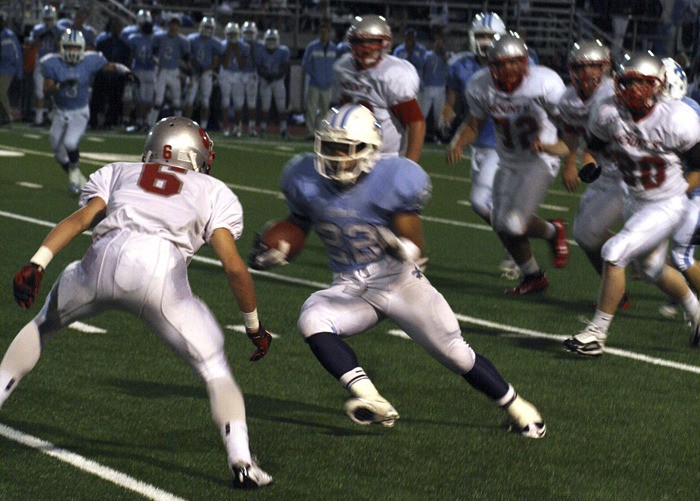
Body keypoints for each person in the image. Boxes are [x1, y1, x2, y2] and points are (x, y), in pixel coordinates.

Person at [5, 116, 273, 488]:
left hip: (100, 259)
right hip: (161, 276)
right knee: (214, 367)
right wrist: (254, 327)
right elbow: (234, 269)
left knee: (44, 325)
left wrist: (38, 262)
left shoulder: (119, 171)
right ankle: (242, 461)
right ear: (196, 156)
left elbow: (81, 219)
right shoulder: (213, 191)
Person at [248, 103, 546, 438]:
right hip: (351, 285)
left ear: (369, 151)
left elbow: (416, 247)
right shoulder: (304, 178)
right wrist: (279, 248)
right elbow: (298, 224)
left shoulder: (392, 179)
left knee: (457, 354)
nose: (335, 157)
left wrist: (402, 248)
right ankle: (371, 400)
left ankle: (520, 408)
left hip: (399, 279)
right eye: (329, 148)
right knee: (312, 318)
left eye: (344, 150)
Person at [563, 52, 700, 356]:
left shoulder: (677, 118)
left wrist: (680, 193)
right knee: (652, 269)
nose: (635, 89)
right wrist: (588, 164)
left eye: (643, 83)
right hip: (633, 199)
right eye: (629, 82)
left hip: (667, 203)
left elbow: (698, 167)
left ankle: (596, 334)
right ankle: (697, 312)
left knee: (614, 252)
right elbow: (593, 148)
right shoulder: (608, 110)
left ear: (658, 85)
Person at [447, 34, 570, 296]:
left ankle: (550, 233)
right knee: (500, 223)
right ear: (491, 66)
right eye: (501, 64)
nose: (508, 70)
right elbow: (474, 124)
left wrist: (566, 156)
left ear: (525, 62)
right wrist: (459, 142)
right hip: (508, 159)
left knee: (513, 225)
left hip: (540, 159)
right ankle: (534, 274)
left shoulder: (544, 83)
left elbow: (569, 128)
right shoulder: (480, 86)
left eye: (514, 63)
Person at [439, 13, 521, 280]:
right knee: (493, 204)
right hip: (478, 144)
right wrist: (448, 111)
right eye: (481, 36)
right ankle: (515, 246)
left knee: (480, 200)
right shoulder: (460, 66)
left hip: (504, 145)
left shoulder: (513, 64)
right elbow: (452, 101)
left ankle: (518, 246)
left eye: (490, 37)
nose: (485, 42)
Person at [557, 40, 630, 307]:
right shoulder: (569, 100)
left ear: (606, 67)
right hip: (605, 173)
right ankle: (615, 289)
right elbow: (573, 134)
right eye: (581, 66)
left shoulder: (617, 92)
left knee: (651, 263)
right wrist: (569, 164)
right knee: (585, 235)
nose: (587, 73)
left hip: (629, 175)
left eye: (593, 66)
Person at [41, 29, 138, 195]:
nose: (72, 51)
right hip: (60, 111)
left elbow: (111, 66)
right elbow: (46, 90)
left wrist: (126, 72)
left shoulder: (90, 60)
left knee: (71, 143)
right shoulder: (52, 62)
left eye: (75, 47)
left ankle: (74, 178)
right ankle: (80, 179)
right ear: (62, 47)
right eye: (69, 47)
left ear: (82, 48)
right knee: (58, 154)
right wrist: (60, 86)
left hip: (79, 111)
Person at [334, 14, 426, 162]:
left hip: (386, 158)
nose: (365, 47)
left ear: (385, 43)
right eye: (359, 41)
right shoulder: (343, 68)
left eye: (372, 41)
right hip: (351, 153)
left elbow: (416, 124)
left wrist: (410, 166)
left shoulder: (393, 74)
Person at [658, 57, 700, 322]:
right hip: (686, 190)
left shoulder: (687, 112)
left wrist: (679, 192)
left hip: (695, 190)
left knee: (681, 253)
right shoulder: (662, 112)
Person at [148, 15, 189, 127]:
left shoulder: (182, 41)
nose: (173, 26)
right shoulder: (159, 37)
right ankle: (150, 124)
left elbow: (187, 58)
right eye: (172, 23)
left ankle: (179, 126)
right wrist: (157, 62)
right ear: (168, 24)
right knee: (158, 100)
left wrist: (189, 74)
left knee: (177, 102)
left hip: (174, 71)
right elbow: (153, 53)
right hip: (162, 70)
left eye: (175, 24)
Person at [92, 17, 131, 129]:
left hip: (117, 76)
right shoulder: (102, 41)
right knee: (98, 99)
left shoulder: (124, 44)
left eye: (118, 26)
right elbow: (97, 58)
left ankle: (110, 121)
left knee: (115, 100)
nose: (117, 28)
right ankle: (94, 120)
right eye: (115, 25)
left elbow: (126, 61)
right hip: (103, 74)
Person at [28, 4, 63, 126]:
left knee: (54, 92)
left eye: (50, 19)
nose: (48, 22)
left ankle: (52, 117)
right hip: (41, 62)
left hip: (55, 63)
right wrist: (40, 37)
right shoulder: (38, 29)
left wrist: (55, 38)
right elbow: (31, 46)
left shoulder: (60, 30)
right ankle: (39, 119)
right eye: (46, 19)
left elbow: (62, 49)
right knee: (39, 91)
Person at [122, 9, 157, 132]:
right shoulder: (154, 37)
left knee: (140, 98)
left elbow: (131, 55)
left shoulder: (133, 36)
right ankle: (142, 122)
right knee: (143, 98)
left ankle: (139, 122)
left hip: (139, 69)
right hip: (148, 70)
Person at [184, 16, 221, 130]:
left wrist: (205, 69)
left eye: (210, 27)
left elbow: (215, 62)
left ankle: (203, 127)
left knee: (205, 101)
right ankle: (186, 126)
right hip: (194, 72)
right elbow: (188, 57)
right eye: (206, 27)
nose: (207, 29)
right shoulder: (192, 39)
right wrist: (192, 68)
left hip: (206, 73)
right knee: (190, 99)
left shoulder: (215, 42)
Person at [301, 19, 336, 140]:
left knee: (324, 111)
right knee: (311, 109)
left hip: (327, 85)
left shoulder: (333, 48)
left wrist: (330, 78)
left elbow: (335, 65)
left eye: (326, 32)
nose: (324, 34)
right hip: (315, 84)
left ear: (329, 33)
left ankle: (319, 132)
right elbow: (305, 64)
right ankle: (309, 133)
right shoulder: (312, 47)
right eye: (322, 32)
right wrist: (315, 75)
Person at [256, 29, 290, 138]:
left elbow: (285, 67)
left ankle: (283, 129)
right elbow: (259, 68)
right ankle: (263, 128)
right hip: (265, 80)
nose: (271, 42)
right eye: (269, 39)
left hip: (278, 80)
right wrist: (267, 76)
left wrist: (274, 77)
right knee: (265, 106)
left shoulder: (283, 51)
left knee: (281, 106)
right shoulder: (261, 50)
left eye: (273, 39)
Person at [219, 22, 249, 137]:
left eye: (234, 34)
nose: (232, 36)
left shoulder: (243, 46)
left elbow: (242, 65)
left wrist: (236, 52)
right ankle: (226, 126)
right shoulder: (222, 45)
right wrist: (229, 50)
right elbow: (225, 64)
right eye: (230, 34)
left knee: (238, 103)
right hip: (225, 73)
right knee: (225, 101)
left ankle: (237, 127)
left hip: (238, 74)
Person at [419, 35, 448, 142]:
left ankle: (439, 137)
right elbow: (422, 68)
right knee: (422, 113)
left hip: (440, 87)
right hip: (428, 87)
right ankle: (418, 135)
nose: (438, 45)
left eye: (440, 43)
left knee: (438, 115)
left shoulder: (445, 56)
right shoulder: (427, 55)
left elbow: (449, 64)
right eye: (437, 42)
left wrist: (444, 52)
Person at [241, 21, 263, 136]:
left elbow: (259, 63)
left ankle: (251, 127)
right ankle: (237, 127)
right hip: (239, 74)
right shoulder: (238, 43)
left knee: (252, 103)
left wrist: (252, 49)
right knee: (238, 103)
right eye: (247, 32)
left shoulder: (259, 46)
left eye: (251, 32)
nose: (249, 35)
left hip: (252, 74)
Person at [0, 11, 22, 127]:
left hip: (7, 69)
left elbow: (16, 53)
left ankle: (8, 118)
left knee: (1, 92)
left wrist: (19, 71)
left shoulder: (9, 35)